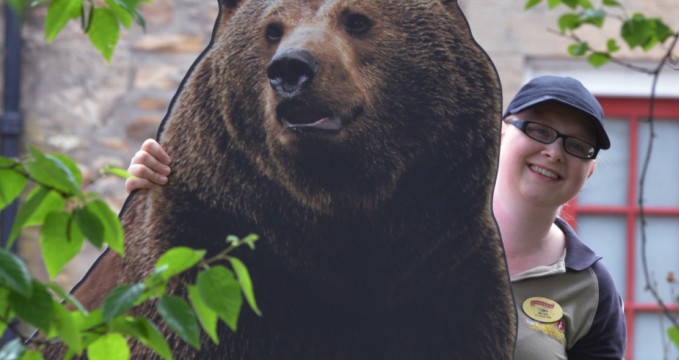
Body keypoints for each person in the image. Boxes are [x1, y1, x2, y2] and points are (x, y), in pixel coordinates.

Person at [124, 75, 626, 359]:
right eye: (538, 130)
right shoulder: (399, 222)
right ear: (500, 133)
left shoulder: (590, 288)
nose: (554, 152)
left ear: (589, 170)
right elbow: (257, 241)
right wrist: (164, 189)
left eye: (576, 145)